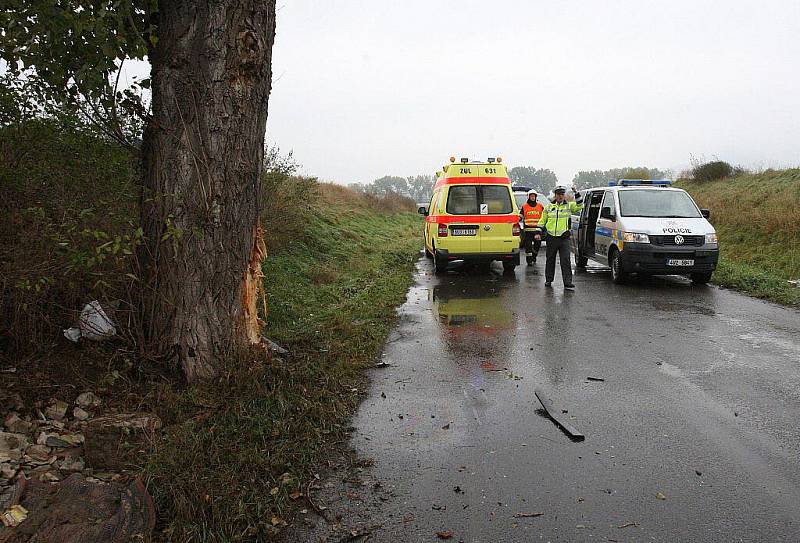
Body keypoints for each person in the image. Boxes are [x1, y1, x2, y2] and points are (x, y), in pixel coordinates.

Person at [535, 185, 584, 289]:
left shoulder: (569, 206)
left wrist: (576, 192)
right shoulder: (549, 207)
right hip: (551, 238)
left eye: (562, 194)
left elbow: (580, 205)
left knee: (565, 260)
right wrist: (538, 232)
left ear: (564, 195)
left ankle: (567, 282)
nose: (560, 196)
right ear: (555, 195)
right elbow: (542, 220)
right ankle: (548, 280)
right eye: (558, 194)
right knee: (550, 260)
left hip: (564, 238)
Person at [519, 189, 544, 265]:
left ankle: (534, 256)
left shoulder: (540, 206)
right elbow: (520, 216)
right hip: (528, 231)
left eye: (534, 196)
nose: (532, 198)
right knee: (528, 247)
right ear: (529, 197)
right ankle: (529, 261)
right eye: (531, 196)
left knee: (537, 245)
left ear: (535, 197)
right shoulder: (524, 207)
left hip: (537, 230)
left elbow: (544, 216)